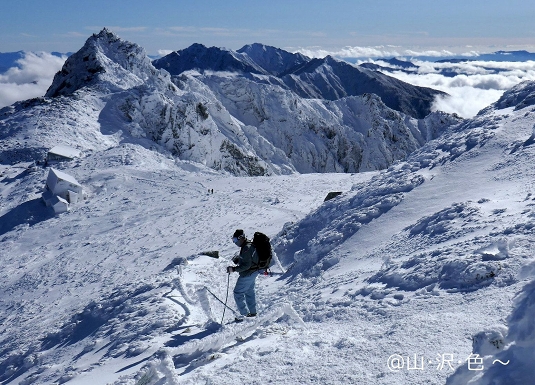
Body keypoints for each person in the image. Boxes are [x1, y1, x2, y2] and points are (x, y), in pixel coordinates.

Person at [227, 229, 259, 322]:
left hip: (248, 273)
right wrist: (239, 260)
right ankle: (253, 313)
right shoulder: (248, 245)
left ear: (241, 238)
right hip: (253, 272)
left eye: (235, 240)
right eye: (233, 241)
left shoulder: (246, 248)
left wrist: (233, 269)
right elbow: (248, 261)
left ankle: (244, 315)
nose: (235, 242)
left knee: (238, 293)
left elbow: (247, 265)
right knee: (249, 291)